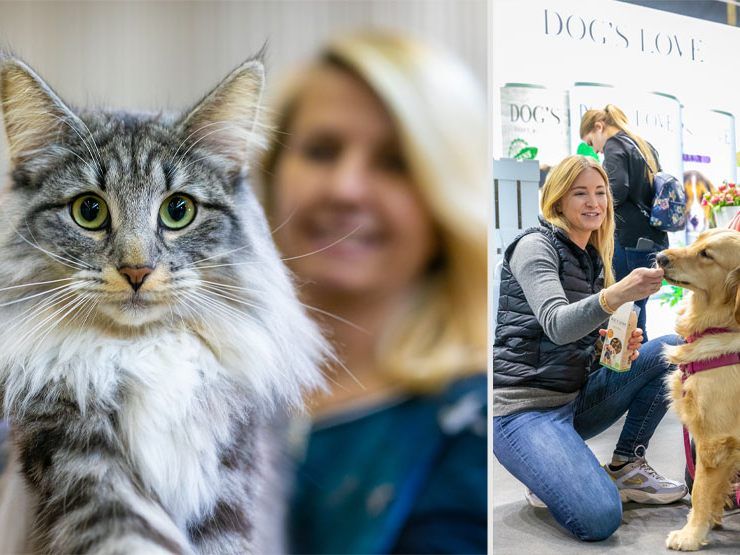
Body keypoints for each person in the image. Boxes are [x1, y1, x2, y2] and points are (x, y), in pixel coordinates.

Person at [258, 32, 487, 554]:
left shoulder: (469, 434)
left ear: (444, 199)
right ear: (269, 178)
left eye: (394, 161)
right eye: (321, 150)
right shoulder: (196, 397)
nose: (346, 188)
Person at [492, 155, 687, 542]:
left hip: (573, 400)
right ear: (558, 200)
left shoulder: (591, 258)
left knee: (671, 348)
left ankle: (627, 463)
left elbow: (574, 346)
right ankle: (548, 474)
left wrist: (615, 351)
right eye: (580, 193)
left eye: (600, 193)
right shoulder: (534, 246)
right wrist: (617, 294)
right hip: (523, 412)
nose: (593, 202)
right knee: (598, 518)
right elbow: (557, 325)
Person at [580, 105, 666, 340]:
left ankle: (629, 371)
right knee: (637, 310)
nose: (594, 150)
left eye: (590, 142)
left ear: (599, 127)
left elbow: (616, 189)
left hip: (630, 240)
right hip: (653, 238)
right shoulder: (642, 144)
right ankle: (640, 367)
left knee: (625, 310)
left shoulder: (614, 144)